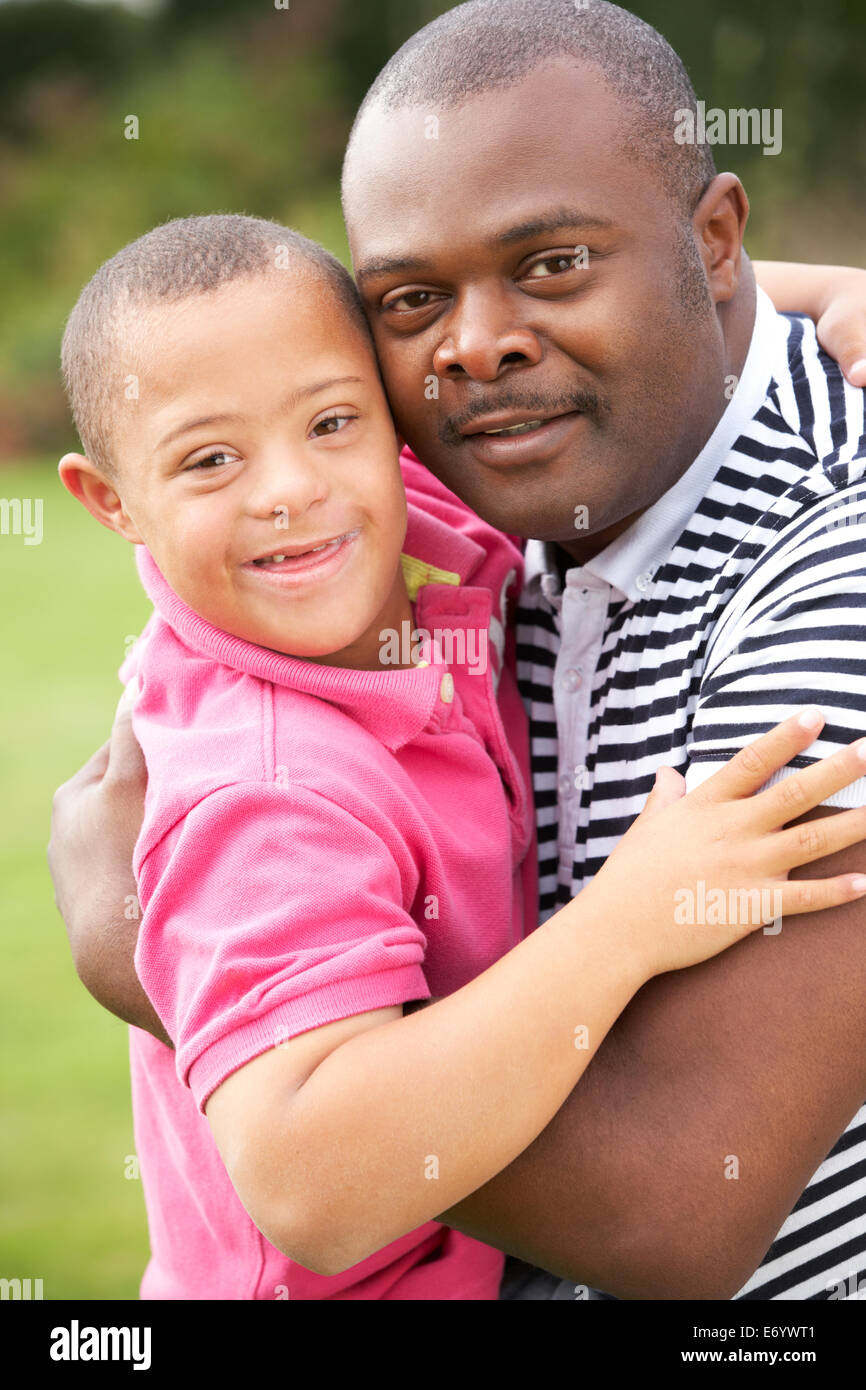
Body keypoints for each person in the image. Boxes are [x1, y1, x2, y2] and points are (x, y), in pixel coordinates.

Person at [50, 1, 866, 1299]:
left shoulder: (830, 579)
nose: (475, 343)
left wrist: (156, 956)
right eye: (417, 299)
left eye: (550, 263)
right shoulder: (502, 469)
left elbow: (668, 1206)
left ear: (715, 236)